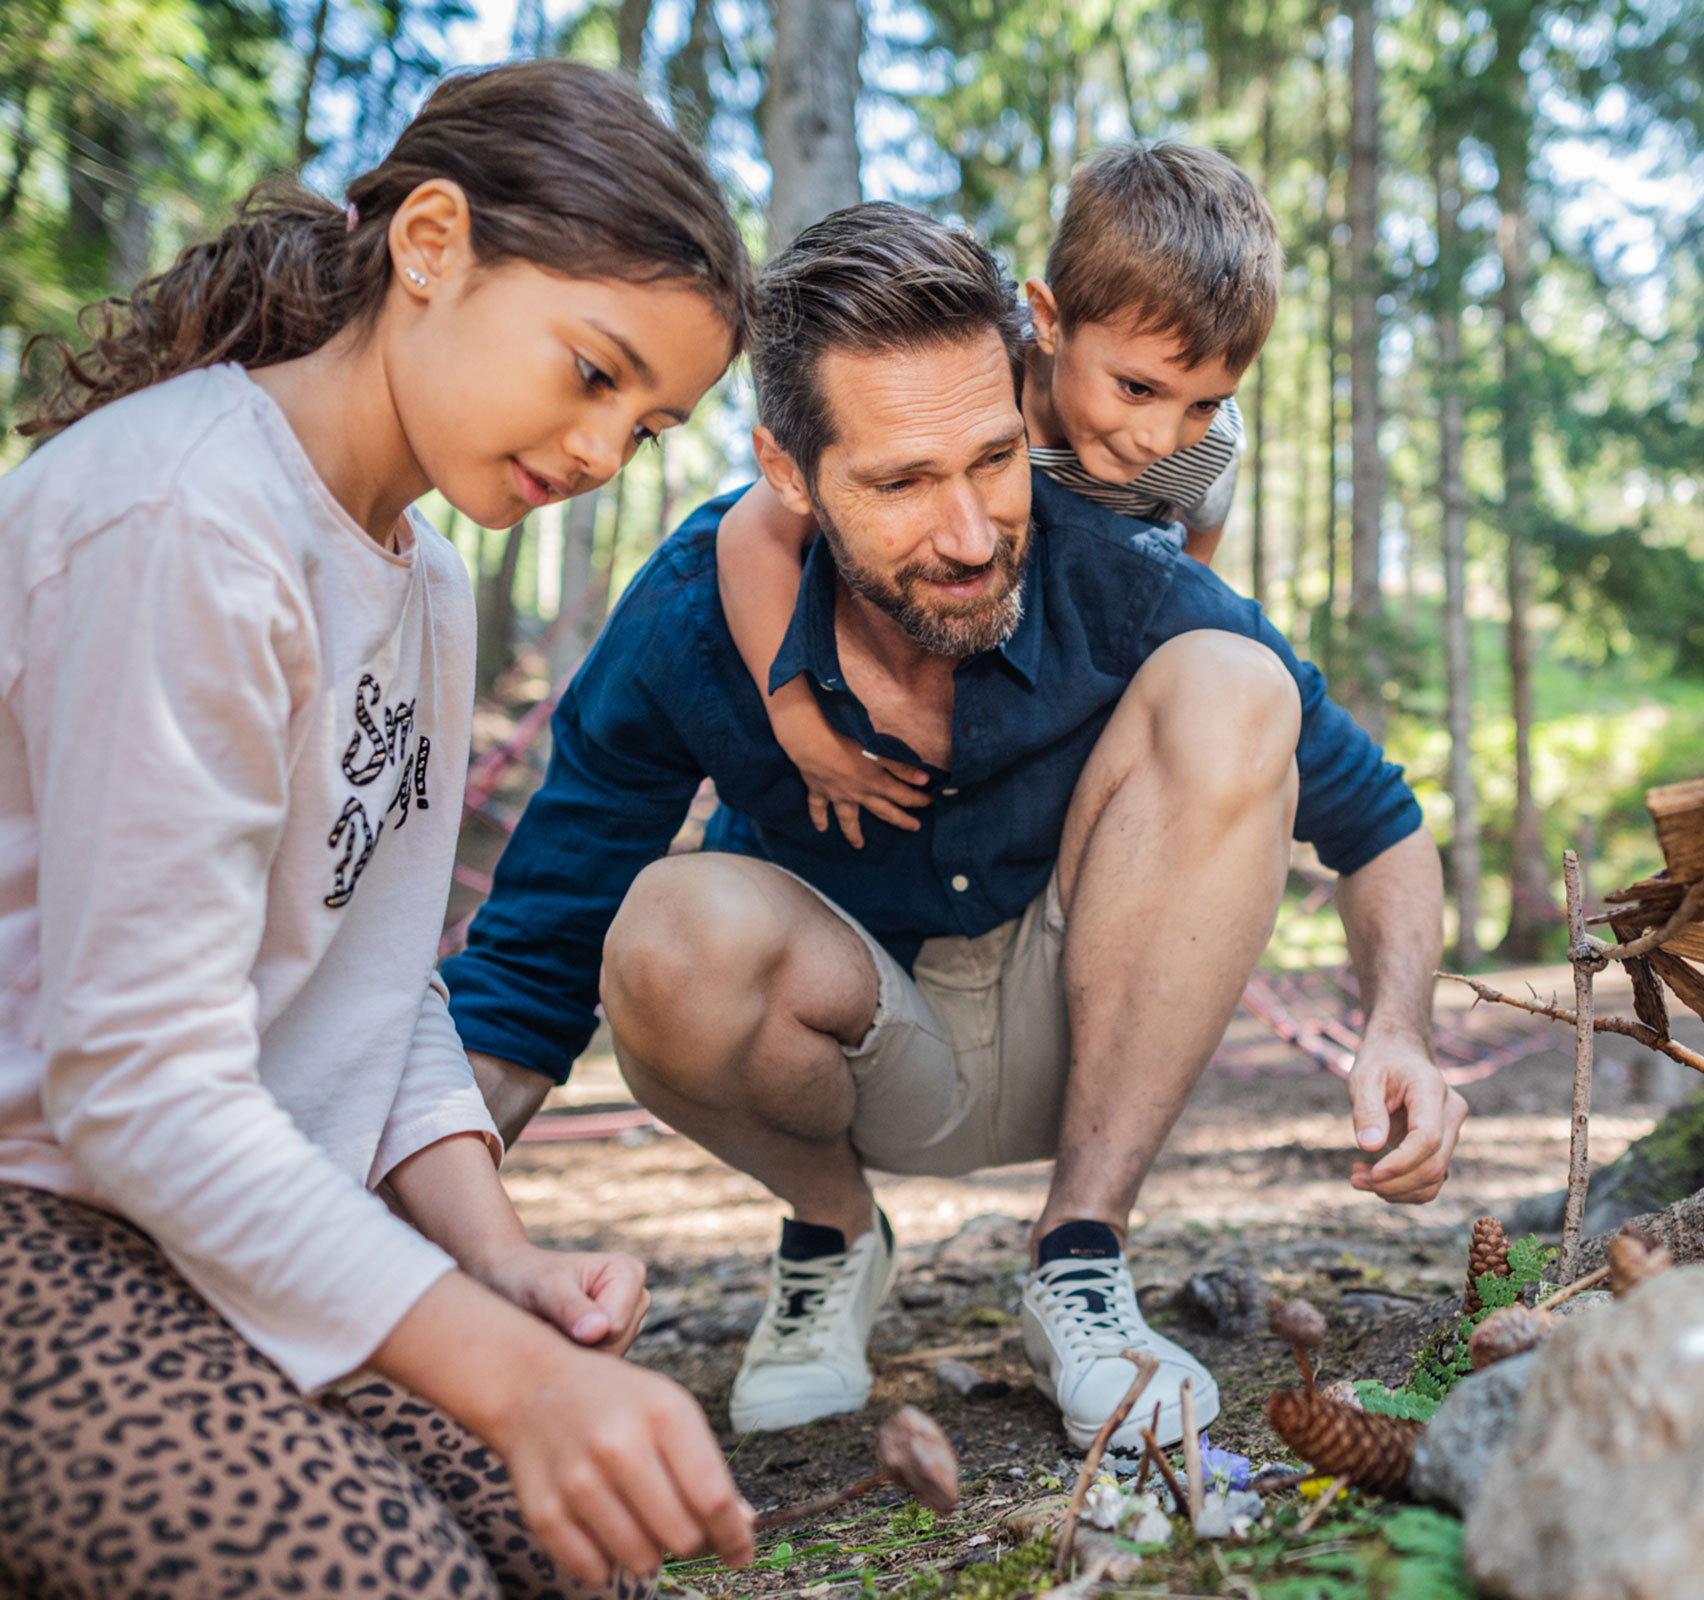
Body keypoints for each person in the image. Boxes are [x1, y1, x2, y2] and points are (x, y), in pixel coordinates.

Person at [446, 203, 1464, 1457]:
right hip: (849, 1049)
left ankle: (1080, 1257)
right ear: (789, 475)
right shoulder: (693, 615)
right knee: (660, 929)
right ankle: (831, 1233)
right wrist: (390, 1257)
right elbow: (526, 969)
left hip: (1084, 1028)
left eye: (990, 461)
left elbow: (1381, 826)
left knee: (1233, 682)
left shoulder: (1122, 565)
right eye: (901, 483)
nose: (974, 535)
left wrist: (1402, 1027)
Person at [0, 61, 757, 1599]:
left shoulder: (416, 572)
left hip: (213, 1219)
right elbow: (132, 1082)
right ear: (430, 244)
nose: (607, 453)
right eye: (594, 373)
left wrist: (498, 1262)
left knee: (574, 1548)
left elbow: (375, 968)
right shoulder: (188, 520)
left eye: (653, 425)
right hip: (42, 1226)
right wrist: (512, 1375)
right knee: (398, 1582)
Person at [717, 143, 1276, 848]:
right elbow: (750, 534)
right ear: (1046, 319)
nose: (1160, 438)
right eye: (1136, 389)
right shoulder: (974, 386)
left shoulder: (1211, 448)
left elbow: (1189, 582)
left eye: (1205, 403)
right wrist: (800, 727)